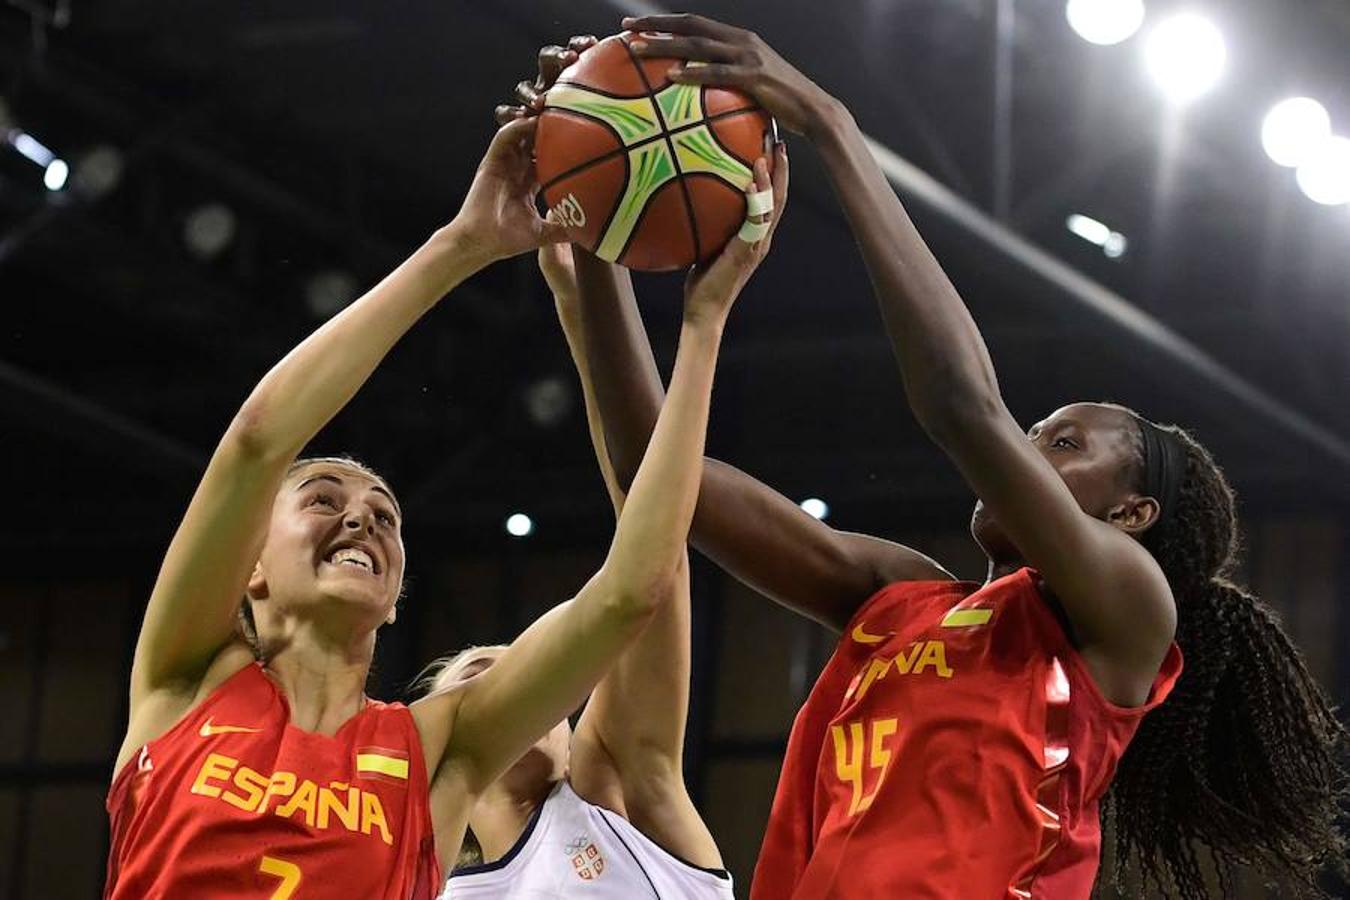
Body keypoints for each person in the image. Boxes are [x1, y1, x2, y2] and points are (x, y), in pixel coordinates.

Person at [540, 15, 1347, 900]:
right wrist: (599, 235)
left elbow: (963, 407)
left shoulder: (1126, 616)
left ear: (1131, 515)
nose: (1028, 450)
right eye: (1036, 433)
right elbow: (662, 481)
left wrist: (832, 127)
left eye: (1064, 445)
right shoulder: (899, 598)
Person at [103, 114, 730, 900]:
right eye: (323, 497)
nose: (361, 518)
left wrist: (702, 329)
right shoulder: (185, 681)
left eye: (386, 515)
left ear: (396, 602)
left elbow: (632, 589)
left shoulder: (436, 750)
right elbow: (258, 440)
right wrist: (462, 245)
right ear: (251, 565)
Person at [425, 72, 785, 895]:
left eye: (515, 668)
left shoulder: (617, 784)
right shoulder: (420, 882)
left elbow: (646, 540)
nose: (503, 676)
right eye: (477, 679)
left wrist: (586, 283)